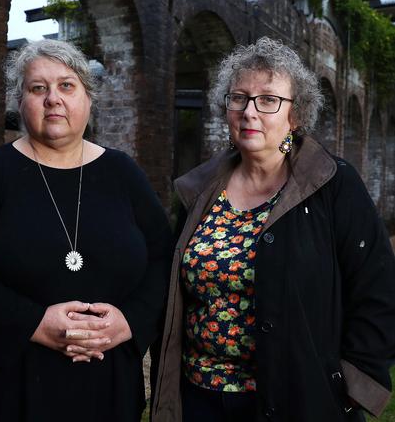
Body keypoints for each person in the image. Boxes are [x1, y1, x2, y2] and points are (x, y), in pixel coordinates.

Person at [0, 39, 174, 421]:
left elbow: (164, 257)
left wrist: (130, 321)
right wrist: (32, 323)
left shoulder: (123, 173)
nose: (53, 98)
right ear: (20, 102)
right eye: (38, 88)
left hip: (102, 386)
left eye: (67, 86)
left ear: (88, 98)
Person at [151, 37, 395, 422]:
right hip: (200, 397)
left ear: (294, 116)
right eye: (239, 98)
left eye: (268, 100)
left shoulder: (332, 184)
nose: (250, 111)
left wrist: (349, 387)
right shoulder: (199, 190)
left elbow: (377, 289)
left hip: (295, 398)